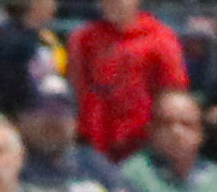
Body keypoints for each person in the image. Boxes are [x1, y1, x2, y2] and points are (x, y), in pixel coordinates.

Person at [66, 0, 184, 162]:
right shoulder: (84, 38)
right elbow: (75, 88)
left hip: (142, 146)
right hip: (92, 145)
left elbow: (172, 93)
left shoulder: (161, 38)